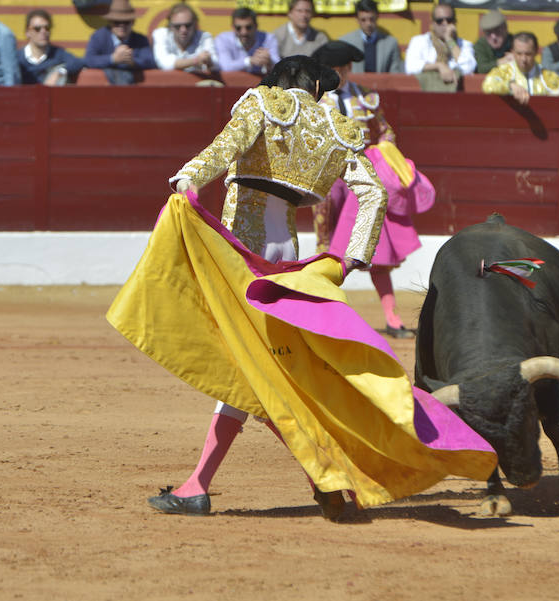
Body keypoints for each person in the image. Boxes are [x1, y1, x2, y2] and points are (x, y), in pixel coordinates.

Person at [109, 56, 495, 519]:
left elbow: (224, 146)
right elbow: (373, 192)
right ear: (314, 84)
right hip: (287, 260)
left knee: (256, 372)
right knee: (263, 370)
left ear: (282, 80)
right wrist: (351, 256)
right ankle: (240, 481)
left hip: (240, 254)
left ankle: (321, 475)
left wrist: (189, 177)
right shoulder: (338, 126)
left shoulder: (261, 104)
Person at [312, 41, 436, 339]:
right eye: (336, 70)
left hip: (362, 176)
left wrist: (384, 150)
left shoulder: (365, 97)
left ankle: (392, 320)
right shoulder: (315, 99)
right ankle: (322, 314)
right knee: (327, 247)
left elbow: (386, 129)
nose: (341, 74)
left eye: (345, 69)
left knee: (374, 244)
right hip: (329, 178)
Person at [482, 31, 559, 104]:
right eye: (519, 54)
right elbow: (487, 85)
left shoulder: (547, 77)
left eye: (528, 54)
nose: (523, 59)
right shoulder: (504, 71)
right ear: (512, 52)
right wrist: (509, 86)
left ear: (536, 52)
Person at [404, 2, 476, 91]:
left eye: (449, 20)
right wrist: (439, 66)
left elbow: (468, 68)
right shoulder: (420, 41)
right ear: (433, 24)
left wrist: (449, 40)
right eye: (439, 21)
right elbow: (410, 66)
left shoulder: (464, 44)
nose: (445, 23)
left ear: (455, 23)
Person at [84, 0, 156, 85]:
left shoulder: (141, 39)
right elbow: (89, 60)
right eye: (117, 22)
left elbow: (150, 61)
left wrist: (132, 62)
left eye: (126, 22)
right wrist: (113, 59)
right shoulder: (98, 37)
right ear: (110, 22)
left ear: (133, 22)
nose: (122, 25)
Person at [17, 9, 83, 85]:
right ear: (27, 32)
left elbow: (78, 62)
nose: (43, 32)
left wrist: (60, 72)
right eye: (37, 29)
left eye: (47, 28)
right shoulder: (17, 58)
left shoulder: (57, 53)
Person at [152, 3, 218, 75]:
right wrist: (195, 61)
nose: (183, 30)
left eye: (188, 25)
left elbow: (216, 64)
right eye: (177, 26)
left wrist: (209, 62)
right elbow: (165, 63)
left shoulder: (205, 37)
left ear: (195, 24)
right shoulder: (161, 34)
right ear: (170, 26)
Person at [339, 0, 402, 74]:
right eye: (363, 20)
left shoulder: (391, 44)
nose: (368, 24)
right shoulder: (345, 42)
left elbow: (395, 74)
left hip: (382, 85)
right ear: (357, 19)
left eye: (371, 19)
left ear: (377, 17)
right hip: (355, 85)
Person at [473, 9, 512, 74]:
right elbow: (481, 68)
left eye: (497, 31)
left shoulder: (515, 42)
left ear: (505, 29)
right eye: (488, 33)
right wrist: (500, 62)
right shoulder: (481, 45)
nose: (493, 37)